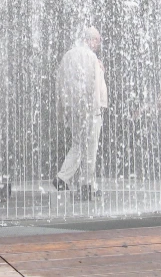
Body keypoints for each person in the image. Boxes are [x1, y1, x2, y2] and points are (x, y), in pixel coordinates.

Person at [54, 27, 108, 197]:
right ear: (91, 40)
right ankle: (86, 185)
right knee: (90, 146)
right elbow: (95, 84)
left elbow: (60, 84)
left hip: (73, 108)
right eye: (98, 41)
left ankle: (63, 178)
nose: (98, 45)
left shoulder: (68, 56)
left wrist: (62, 109)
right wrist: (98, 106)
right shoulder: (91, 57)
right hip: (90, 108)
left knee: (78, 143)